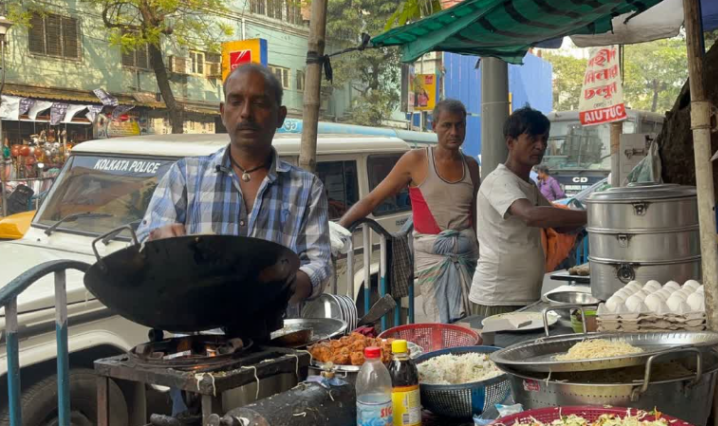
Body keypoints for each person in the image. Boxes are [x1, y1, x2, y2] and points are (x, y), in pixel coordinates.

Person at [138, 63, 332, 305]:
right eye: (236, 101)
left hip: (274, 336)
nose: (246, 113)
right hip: (197, 335)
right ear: (222, 111)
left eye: (260, 103)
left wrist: (277, 287)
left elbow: (319, 264)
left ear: (280, 115)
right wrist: (159, 242)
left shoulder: (306, 188)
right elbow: (144, 244)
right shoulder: (185, 174)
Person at [338, 99, 480, 323]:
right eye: (447, 125)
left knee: (471, 325)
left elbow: (476, 214)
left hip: (468, 257)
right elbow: (372, 199)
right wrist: (338, 229)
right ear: (434, 126)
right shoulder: (415, 160)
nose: (454, 132)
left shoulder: (470, 165)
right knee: (441, 326)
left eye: (460, 125)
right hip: (432, 260)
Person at [468, 107, 587, 316]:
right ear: (510, 142)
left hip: (524, 296)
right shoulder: (499, 181)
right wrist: (592, 216)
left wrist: (603, 216)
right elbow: (530, 215)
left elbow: (560, 225)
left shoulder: (528, 185)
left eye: (544, 139)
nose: (540, 146)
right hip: (497, 298)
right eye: (532, 138)